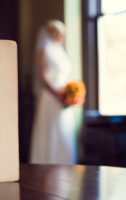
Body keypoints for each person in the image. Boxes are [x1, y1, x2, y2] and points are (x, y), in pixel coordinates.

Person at [30, 20, 77, 164]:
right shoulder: (45, 49)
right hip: (51, 97)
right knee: (50, 133)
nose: (62, 36)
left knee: (63, 132)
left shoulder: (60, 50)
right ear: (52, 33)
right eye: (59, 33)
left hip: (63, 97)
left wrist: (70, 93)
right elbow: (43, 76)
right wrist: (58, 94)